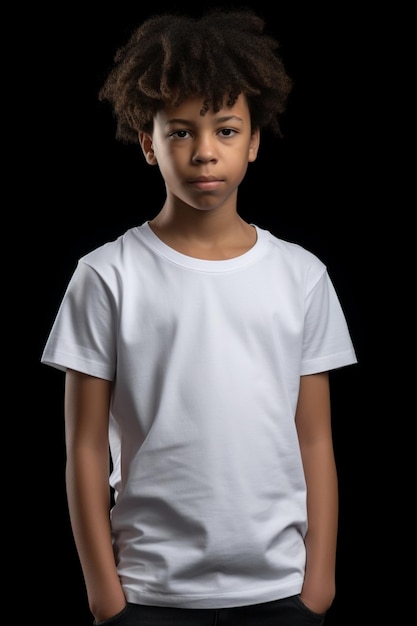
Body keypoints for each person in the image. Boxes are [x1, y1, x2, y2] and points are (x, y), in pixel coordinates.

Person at [41, 7, 357, 626]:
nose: (205, 153)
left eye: (227, 130)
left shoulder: (301, 276)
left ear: (255, 140)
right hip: (150, 593)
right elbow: (83, 447)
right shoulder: (107, 275)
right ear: (147, 143)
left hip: (281, 591)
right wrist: (106, 596)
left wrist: (318, 582)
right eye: (180, 131)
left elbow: (314, 437)